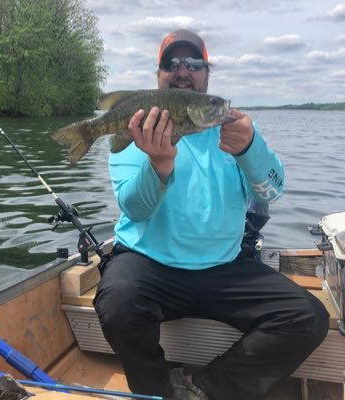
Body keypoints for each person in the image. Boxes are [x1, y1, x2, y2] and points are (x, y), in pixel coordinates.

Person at [94, 29, 329, 400]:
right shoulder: (140, 128)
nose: (183, 70)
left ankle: (206, 390)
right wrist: (158, 163)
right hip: (148, 262)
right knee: (117, 303)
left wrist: (250, 149)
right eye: (172, 63)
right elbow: (135, 209)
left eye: (194, 62)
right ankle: (156, 392)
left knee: (308, 317)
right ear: (159, 75)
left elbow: (273, 190)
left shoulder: (236, 130)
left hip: (225, 265)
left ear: (207, 73)